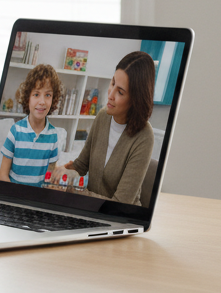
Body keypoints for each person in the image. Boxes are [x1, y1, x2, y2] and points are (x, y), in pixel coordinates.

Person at [60, 51, 156, 206]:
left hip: (119, 216)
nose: (110, 94)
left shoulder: (144, 136)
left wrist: (75, 192)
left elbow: (120, 204)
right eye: (112, 83)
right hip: (89, 208)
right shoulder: (103, 116)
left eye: (120, 92)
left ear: (136, 99)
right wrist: (60, 172)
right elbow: (81, 165)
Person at [0, 64, 66, 185]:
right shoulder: (15, 130)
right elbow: (2, 176)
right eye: (36, 94)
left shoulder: (53, 135)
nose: (42, 101)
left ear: (53, 99)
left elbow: (50, 177)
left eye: (48, 95)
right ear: (28, 97)